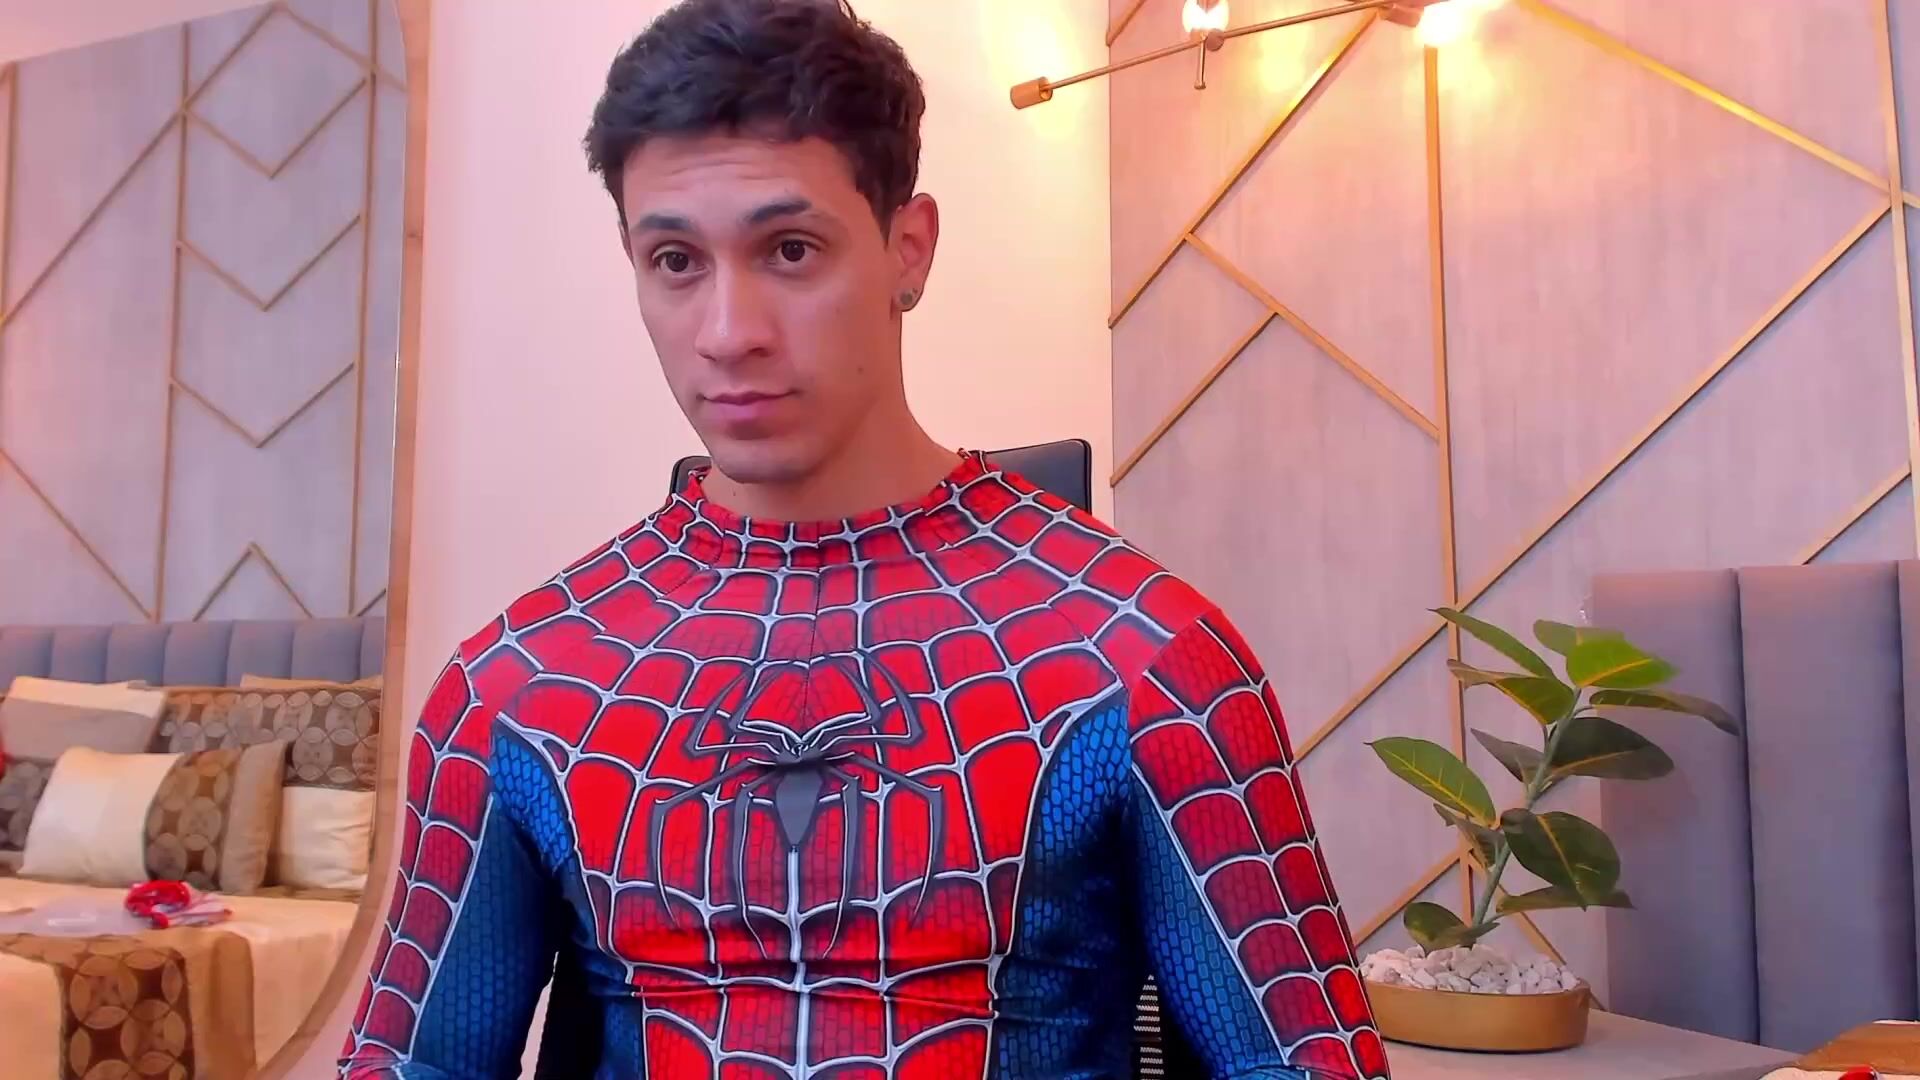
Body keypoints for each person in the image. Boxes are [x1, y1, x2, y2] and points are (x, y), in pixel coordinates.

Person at [338, 1, 1388, 1077]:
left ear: (908, 249)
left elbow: (1307, 1062)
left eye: (790, 249)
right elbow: (410, 1062)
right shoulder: (517, 688)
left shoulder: (1147, 660)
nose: (728, 332)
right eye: (676, 260)